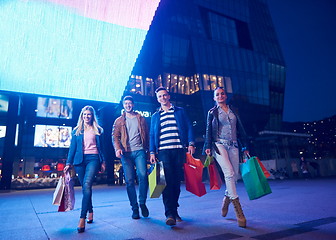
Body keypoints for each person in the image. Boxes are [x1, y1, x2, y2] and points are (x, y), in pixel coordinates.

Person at [149, 87, 195, 226]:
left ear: (168, 96)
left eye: (164, 95)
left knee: (176, 182)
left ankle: (174, 209)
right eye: (160, 97)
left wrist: (191, 143)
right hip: (163, 152)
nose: (162, 98)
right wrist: (152, 152)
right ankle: (169, 213)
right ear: (157, 99)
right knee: (166, 182)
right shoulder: (155, 116)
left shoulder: (180, 111)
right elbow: (152, 135)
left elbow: (189, 127)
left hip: (178, 150)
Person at [204, 87, 248, 228]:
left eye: (222, 93)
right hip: (219, 145)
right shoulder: (212, 112)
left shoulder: (234, 110)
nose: (220, 95)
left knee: (234, 177)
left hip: (234, 145)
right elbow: (208, 131)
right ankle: (239, 211)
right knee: (228, 172)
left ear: (226, 95)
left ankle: (226, 199)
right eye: (217, 94)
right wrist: (207, 146)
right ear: (214, 98)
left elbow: (240, 129)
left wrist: (245, 146)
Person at [63, 106, 105, 233]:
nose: (87, 116)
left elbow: (102, 148)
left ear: (92, 116)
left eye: (89, 114)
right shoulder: (76, 131)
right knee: (85, 188)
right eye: (85, 114)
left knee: (87, 185)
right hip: (79, 161)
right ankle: (91, 210)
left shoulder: (98, 130)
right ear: (82, 116)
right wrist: (68, 163)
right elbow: (72, 148)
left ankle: (82, 217)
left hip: (93, 159)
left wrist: (103, 161)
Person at [112, 96, 149, 219]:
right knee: (129, 181)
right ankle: (134, 208)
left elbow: (147, 135)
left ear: (133, 104)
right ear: (123, 105)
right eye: (126, 103)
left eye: (130, 103)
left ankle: (142, 203)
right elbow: (115, 136)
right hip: (125, 153)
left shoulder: (141, 119)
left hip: (140, 151)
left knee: (143, 175)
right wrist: (118, 148)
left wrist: (149, 151)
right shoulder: (119, 121)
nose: (128, 105)